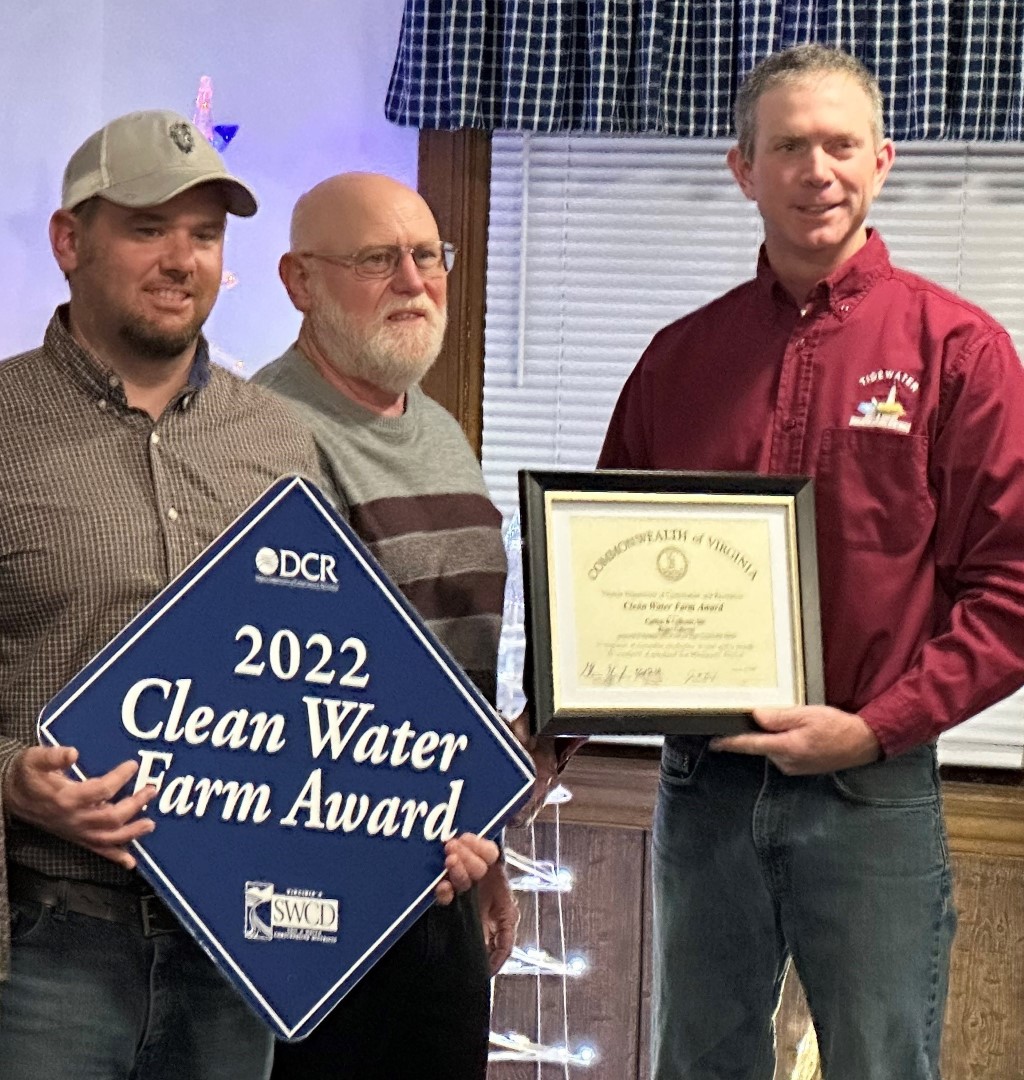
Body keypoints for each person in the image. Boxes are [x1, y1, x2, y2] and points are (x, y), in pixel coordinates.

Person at [0, 114, 497, 1080]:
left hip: (236, 954)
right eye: (147, 228)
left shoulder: (276, 439)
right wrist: (9, 772)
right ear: (71, 241)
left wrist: (427, 817)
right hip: (49, 946)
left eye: (205, 233)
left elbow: (332, 685)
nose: (181, 259)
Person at [598, 44, 1024, 1080]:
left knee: (881, 1065)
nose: (816, 169)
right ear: (742, 167)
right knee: (697, 1066)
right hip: (705, 786)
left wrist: (873, 727)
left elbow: (1012, 590)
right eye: (788, 145)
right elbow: (601, 573)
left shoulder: (956, 352)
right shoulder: (679, 360)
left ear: (883, 160)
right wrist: (561, 717)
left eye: (839, 144)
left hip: (870, 790)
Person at [254, 172, 542, 1080]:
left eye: (428, 256)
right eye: (378, 260)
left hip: (442, 877)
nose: (414, 281)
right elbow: (270, 693)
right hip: (311, 907)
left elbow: (461, 662)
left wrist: (486, 844)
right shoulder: (261, 436)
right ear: (300, 281)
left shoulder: (440, 431)